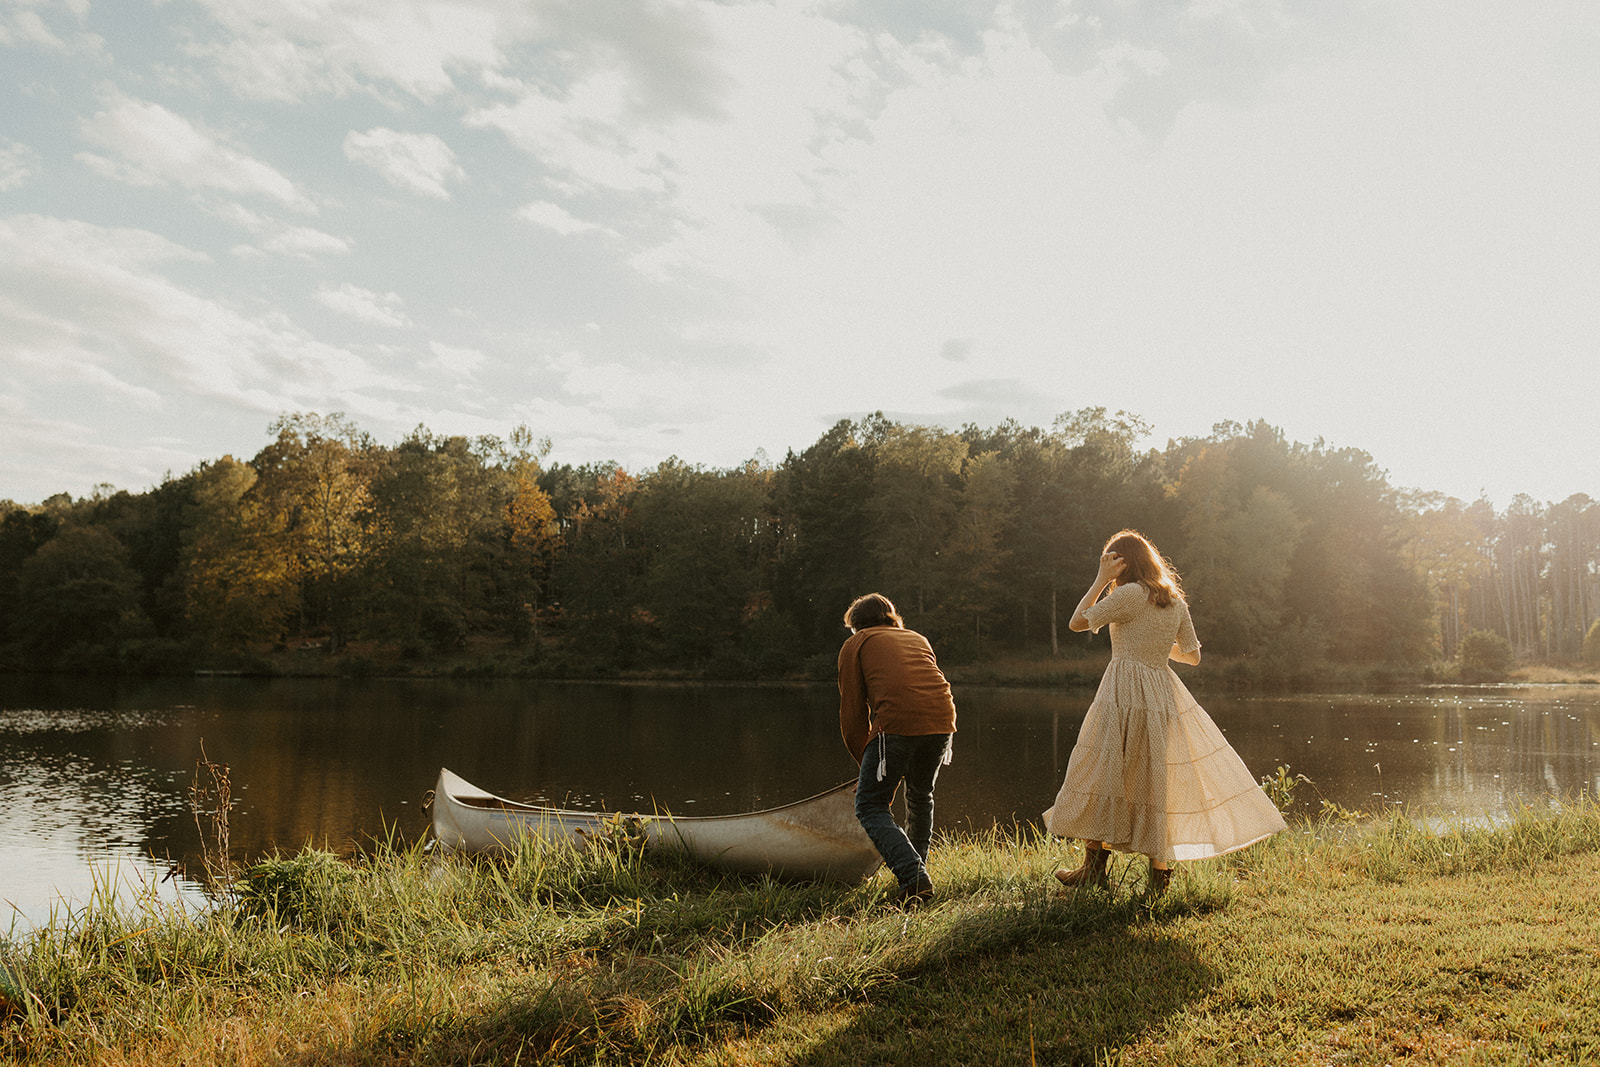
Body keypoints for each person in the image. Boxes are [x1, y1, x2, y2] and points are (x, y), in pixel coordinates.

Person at [1044, 530, 1285, 894]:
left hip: (1124, 690)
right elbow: (1193, 656)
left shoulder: (1127, 594)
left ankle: (1094, 871)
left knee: (1106, 772)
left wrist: (1100, 580)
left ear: (1122, 563)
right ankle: (1158, 881)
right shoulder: (1175, 602)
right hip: (1161, 693)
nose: (1108, 566)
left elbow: (1077, 623)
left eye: (1111, 560)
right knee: (1156, 779)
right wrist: (1157, 648)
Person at [837, 593, 957, 905]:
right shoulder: (916, 637)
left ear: (857, 626)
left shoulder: (856, 643)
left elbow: (852, 711)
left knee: (870, 806)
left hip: (897, 723)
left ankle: (913, 876)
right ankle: (918, 876)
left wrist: (863, 763)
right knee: (920, 797)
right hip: (942, 720)